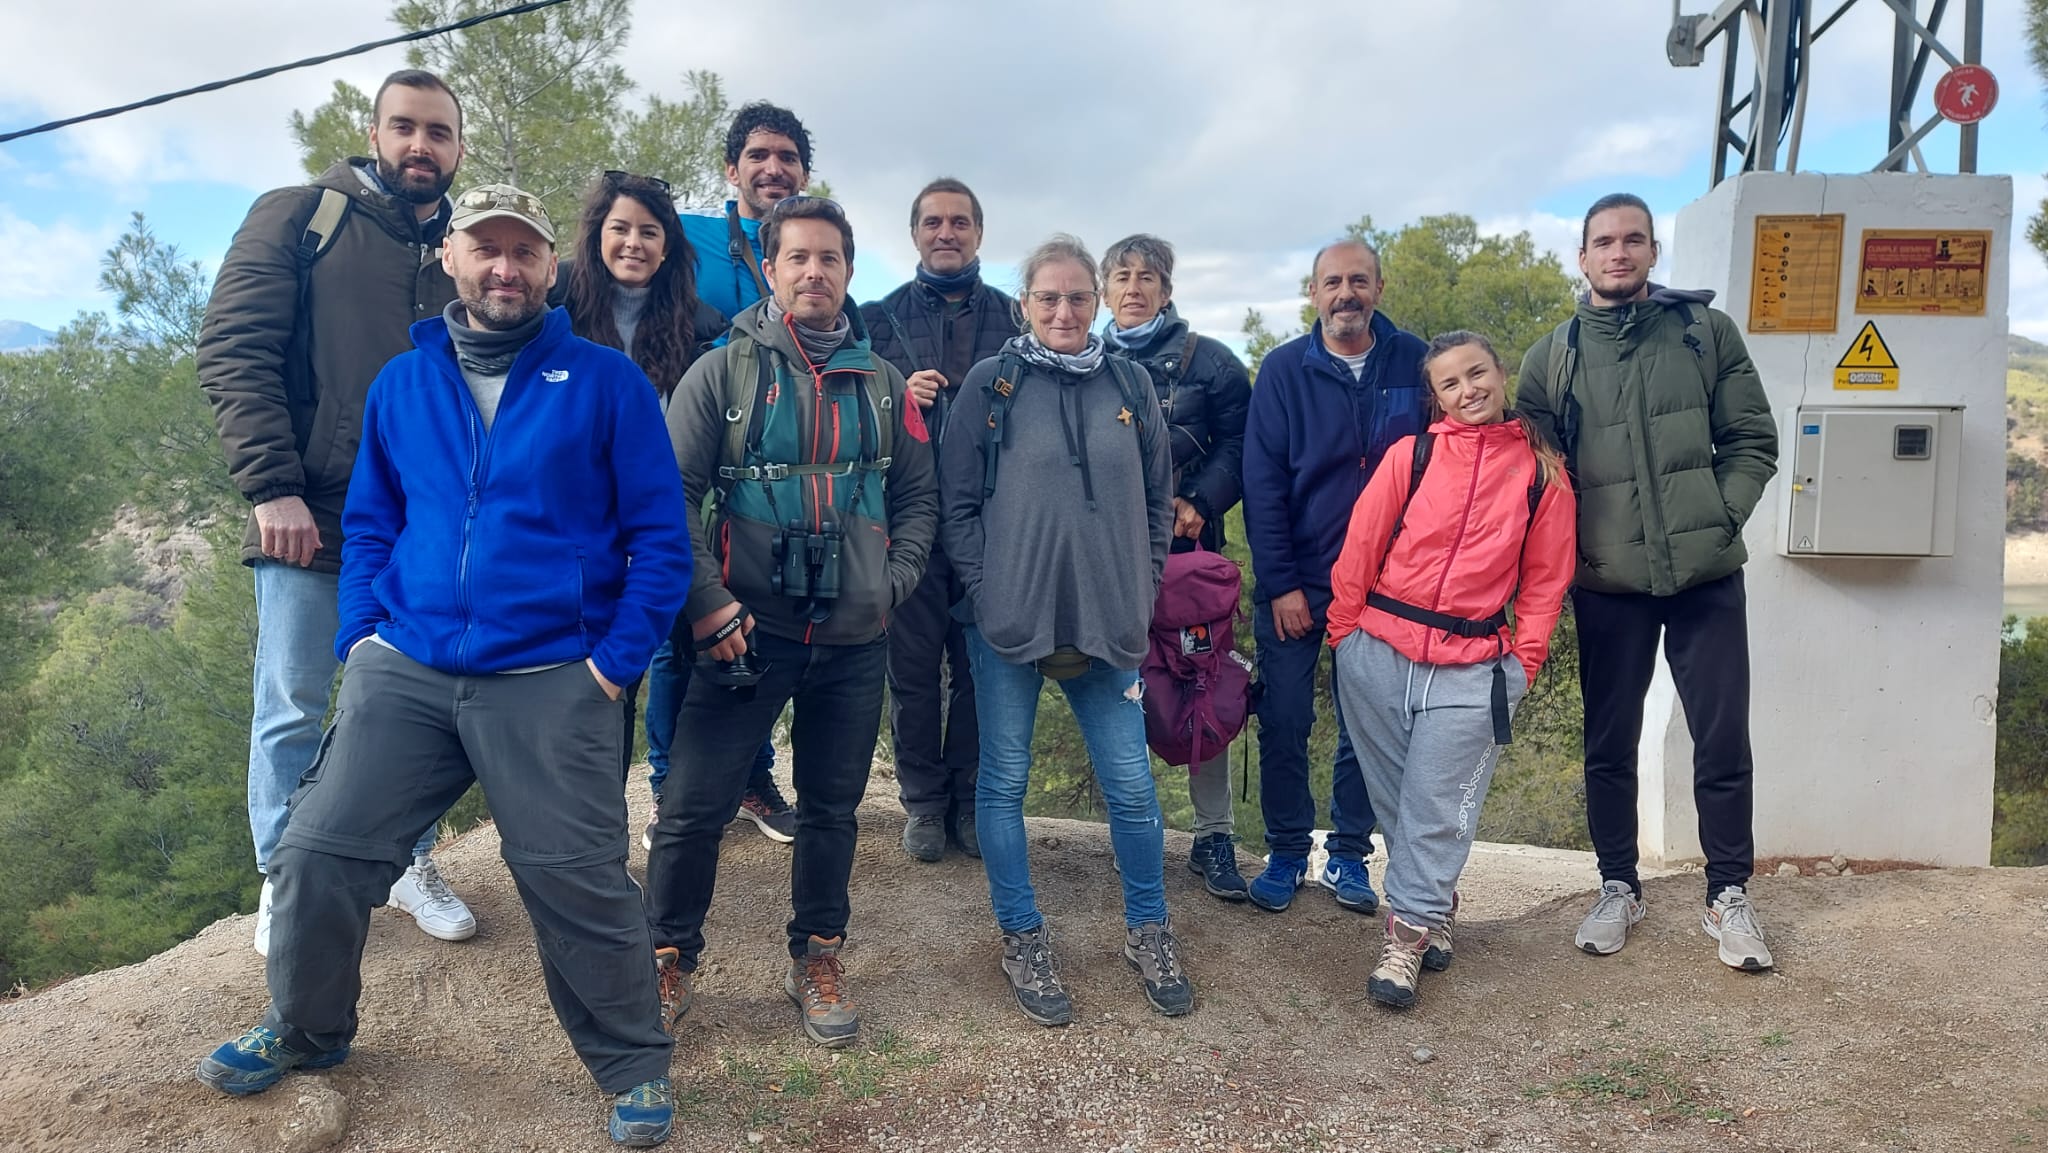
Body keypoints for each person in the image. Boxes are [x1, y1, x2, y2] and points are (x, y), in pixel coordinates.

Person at [196, 183, 692, 1147]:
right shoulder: (402, 382)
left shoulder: (604, 382)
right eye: (485, 249)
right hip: (408, 666)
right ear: (451, 262)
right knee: (316, 850)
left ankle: (632, 1063)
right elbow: (374, 522)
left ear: (551, 269)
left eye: (524, 251)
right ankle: (308, 1028)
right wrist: (363, 637)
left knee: (576, 875)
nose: (504, 267)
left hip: (554, 673)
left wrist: (613, 664)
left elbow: (661, 541)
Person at [198, 69, 477, 955]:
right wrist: (271, 485)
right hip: (308, 514)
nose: (420, 146)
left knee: (411, 704)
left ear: (458, 146)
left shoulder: (464, 251)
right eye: (405, 127)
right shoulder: (300, 215)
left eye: (438, 132)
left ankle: (407, 861)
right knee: (292, 702)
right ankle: (287, 878)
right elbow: (234, 351)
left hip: (423, 531)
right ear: (375, 131)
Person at [650, 196, 938, 1048]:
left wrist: (894, 582)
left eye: (832, 259)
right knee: (694, 807)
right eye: (798, 258)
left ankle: (815, 953)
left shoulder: (883, 384)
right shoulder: (722, 372)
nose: (815, 272)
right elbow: (671, 498)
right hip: (743, 628)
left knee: (833, 809)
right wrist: (706, 602)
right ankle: (668, 958)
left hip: (855, 632)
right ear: (769, 269)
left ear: (850, 273)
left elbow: (919, 496)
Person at [1515, 193, 1779, 972]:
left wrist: (1717, 521)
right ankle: (1617, 884)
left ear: (1653, 251)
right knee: (1609, 744)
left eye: (1633, 239)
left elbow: (1752, 438)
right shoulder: (1551, 356)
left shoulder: (1705, 332)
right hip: (1608, 586)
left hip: (1705, 579)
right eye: (1603, 241)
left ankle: (1728, 893)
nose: (1618, 253)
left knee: (1723, 739)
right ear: (1583, 257)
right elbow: (1532, 479)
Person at [941, 234, 1191, 1027]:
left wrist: (1142, 587)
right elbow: (956, 505)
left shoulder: (1130, 382)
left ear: (1097, 302)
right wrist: (988, 594)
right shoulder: (993, 383)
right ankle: (1022, 934)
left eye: (1078, 297)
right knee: (1003, 783)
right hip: (1010, 623)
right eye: (1048, 297)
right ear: (1025, 304)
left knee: (1131, 786)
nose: (1063, 310)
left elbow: (1158, 499)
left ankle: (1149, 929)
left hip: (1109, 621)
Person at [1327, 331, 1577, 1009]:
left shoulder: (1540, 475)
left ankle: (1403, 941)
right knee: (1397, 804)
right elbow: (1361, 545)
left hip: (1473, 667)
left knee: (1436, 809)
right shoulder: (1413, 456)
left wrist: (1521, 665)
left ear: (1502, 374)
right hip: (1377, 650)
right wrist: (1344, 634)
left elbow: (1545, 585)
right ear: (1435, 396)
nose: (1468, 390)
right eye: (1450, 383)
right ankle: (1436, 902)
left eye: (1477, 374)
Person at [549, 169, 770, 851]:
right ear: (596, 235)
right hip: (566, 529)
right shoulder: (555, 306)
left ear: (670, 245)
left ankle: (668, 801)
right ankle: (587, 838)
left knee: (655, 665)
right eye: (620, 228)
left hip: (657, 525)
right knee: (584, 691)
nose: (634, 243)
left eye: (650, 231)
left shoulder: (699, 325)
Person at [1240, 239, 1427, 916]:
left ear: (1380, 286)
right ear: (1312, 293)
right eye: (1331, 282)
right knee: (1286, 718)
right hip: (1302, 580)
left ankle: (1349, 852)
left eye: (1357, 280)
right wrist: (1282, 582)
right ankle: (1288, 849)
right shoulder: (1284, 369)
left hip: (1389, 586)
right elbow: (1260, 484)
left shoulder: (1416, 361)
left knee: (1369, 724)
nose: (1344, 293)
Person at [669, 101, 825, 841]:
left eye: (788, 157)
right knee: (683, 625)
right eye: (759, 155)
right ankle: (674, 781)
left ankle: (754, 779)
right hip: (692, 457)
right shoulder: (690, 240)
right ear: (731, 170)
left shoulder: (809, 253)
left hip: (771, 496)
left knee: (750, 626)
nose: (773, 168)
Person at [861, 178, 1021, 863]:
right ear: (915, 234)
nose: (946, 232)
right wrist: (895, 395)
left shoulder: (1019, 318)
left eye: (960, 221)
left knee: (984, 670)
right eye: (933, 222)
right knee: (915, 670)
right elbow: (841, 413)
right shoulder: (874, 318)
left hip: (995, 524)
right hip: (907, 519)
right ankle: (924, 802)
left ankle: (969, 799)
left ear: (979, 233)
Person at [1099, 233, 1253, 901]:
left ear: (1168, 289)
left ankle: (1214, 834)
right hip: (1104, 558)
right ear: (1104, 288)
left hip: (1191, 557)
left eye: (1147, 277)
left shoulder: (1213, 363)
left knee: (1201, 683)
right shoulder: (1080, 358)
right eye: (1122, 276)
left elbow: (1244, 443)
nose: (1134, 287)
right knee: (1114, 688)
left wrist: (1199, 499)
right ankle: (1130, 830)